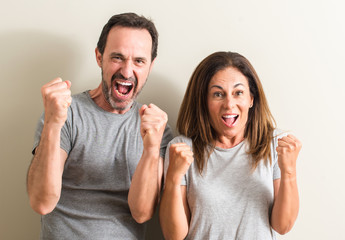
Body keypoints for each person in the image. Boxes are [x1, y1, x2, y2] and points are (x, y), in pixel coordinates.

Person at [27, 13, 173, 239]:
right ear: (99, 57)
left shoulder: (156, 126)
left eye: (139, 61)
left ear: (150, 66)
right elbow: (41, 202)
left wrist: (152, 149)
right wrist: (53, 124)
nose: (126, 71)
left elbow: (142, 213)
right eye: (117, 57)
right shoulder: (67, 112)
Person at [160, 51, 301, 240]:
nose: (229, 104)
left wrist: (289, 171)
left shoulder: (275, 144)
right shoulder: (181, 149)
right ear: (203, 102)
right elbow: (173, 236)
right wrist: (173, 179)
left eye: (238, 93)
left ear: (251, 98)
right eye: (218, 94)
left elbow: (282, 226)